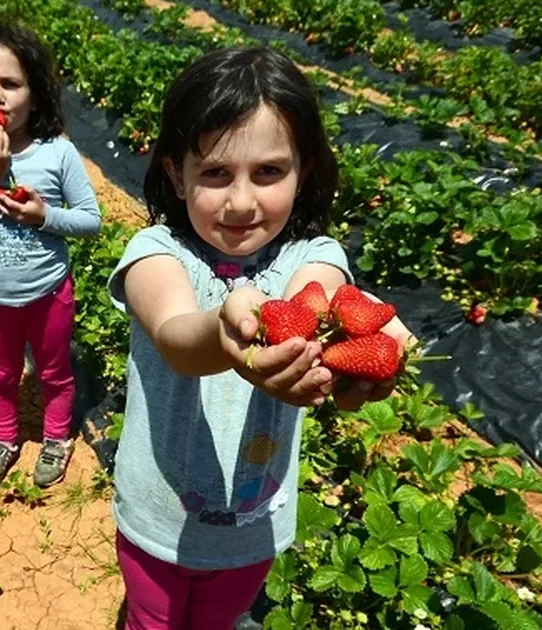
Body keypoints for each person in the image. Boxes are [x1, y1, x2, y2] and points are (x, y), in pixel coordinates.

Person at [106, 46, 411, 629]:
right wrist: (227, 330)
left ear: (305, 170)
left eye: (268, 172)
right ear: (175, 172)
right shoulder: (156, 254)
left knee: (220, 620)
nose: (241, 201)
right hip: (157, 519)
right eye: (215, 173)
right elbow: (175, 335)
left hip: (255, 524)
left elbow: (313, 298)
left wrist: (359, 346)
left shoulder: (314, 258)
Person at [0, 23, 102, 489]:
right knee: (2, 371)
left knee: (54, 370)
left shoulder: (58, 154)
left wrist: (44, 215)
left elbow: (91, 220)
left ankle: (55, 438)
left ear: (35, 92)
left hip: (49, 291)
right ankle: (5, 438)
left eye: (11, 84)